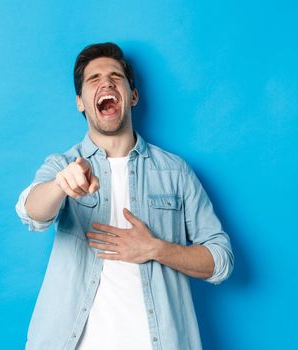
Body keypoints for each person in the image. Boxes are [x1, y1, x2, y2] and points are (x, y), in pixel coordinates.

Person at [15, 42, 234, 350]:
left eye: (116, 76)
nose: (106, 82)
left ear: (132, 95)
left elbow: (221, 260)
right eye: (94, 79)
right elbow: (31, 211)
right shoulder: (62, 166)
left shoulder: (176, 172)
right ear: (80, 101)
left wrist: (156, 248)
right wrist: (60, 186)